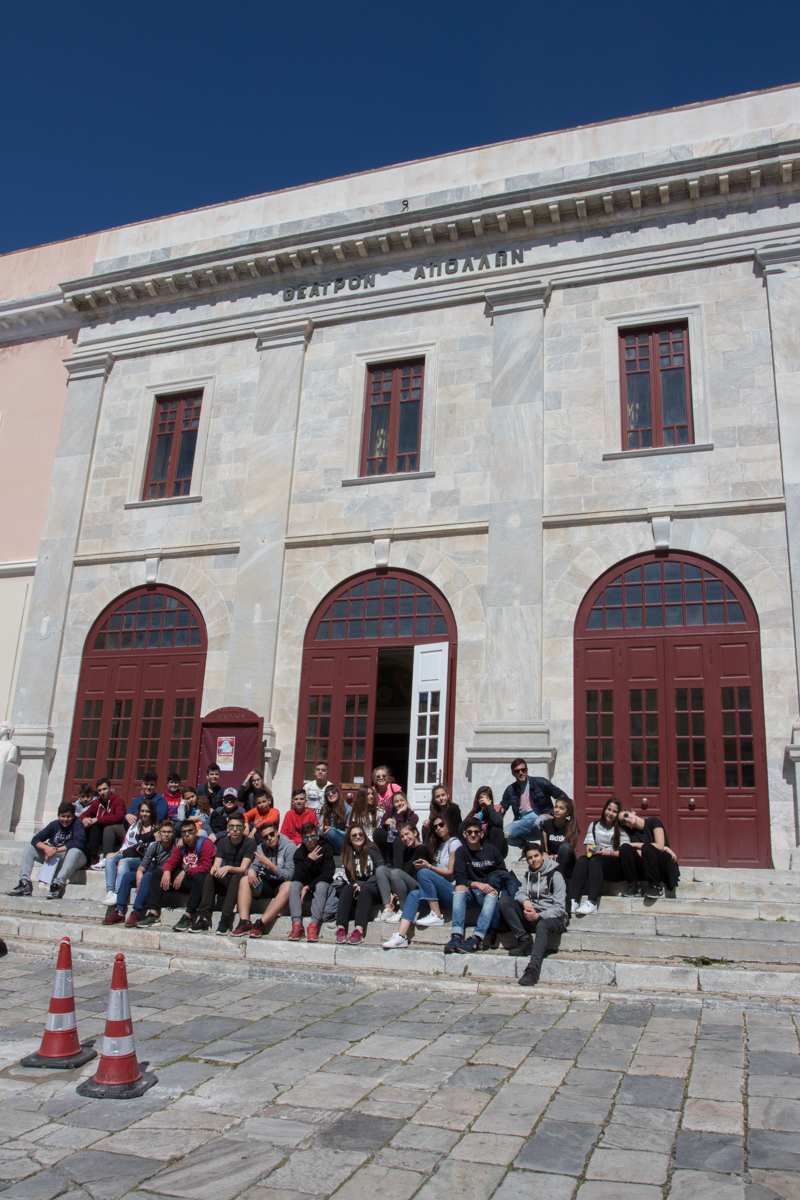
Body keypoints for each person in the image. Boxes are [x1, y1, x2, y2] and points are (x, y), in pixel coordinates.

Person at [382, 814, 460, 949]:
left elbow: (451, 872)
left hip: (450, 889)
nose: (438, 828)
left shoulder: (454, 843)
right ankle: (401, 936)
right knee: (413, 895)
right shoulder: (438, 845)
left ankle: (437, 915)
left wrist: (429, 867)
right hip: (436, 891)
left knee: (423, 872)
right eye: (435, 827)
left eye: (441, 825)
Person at [500, 841, 568, 987]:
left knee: (542, 925)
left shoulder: (555, 875)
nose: (534, 860)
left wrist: (539, 916)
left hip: (554, 918)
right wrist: (526, 902)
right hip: (533, 915)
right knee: (505, 901)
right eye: (530, 858)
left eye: (536, 856)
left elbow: (560, 908)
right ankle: (524, 939)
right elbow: (520, 893)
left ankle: (532, 969)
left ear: (543, 856)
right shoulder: (528, 875)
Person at [139, 821, 215, 930]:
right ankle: (153, 913)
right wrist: (167, 871)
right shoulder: (181, 846)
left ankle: (188, 916)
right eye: (184, 832)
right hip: (182, 881)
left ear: (196, 832)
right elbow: (172, 860)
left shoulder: (205, 843)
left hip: (196, 881)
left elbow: (206, 866)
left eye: (190, 831)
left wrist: (185, 872)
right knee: (157, 874)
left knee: (201, 876)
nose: (187, 835)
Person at [446, 816, 507, 954]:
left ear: (482, 833)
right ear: (464, 834)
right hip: (472, 894)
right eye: (469, 832)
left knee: (492, 892)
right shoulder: (461, 852)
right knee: (459, 887)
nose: (473, 835)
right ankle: (456, 936)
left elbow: (503, 873)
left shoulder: (491, 850)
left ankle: (477, 939)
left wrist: (489, 885)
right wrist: (477, 884)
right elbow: (459, 878)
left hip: (490, 895)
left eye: (476, 832)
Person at [7, 802, 87, 901]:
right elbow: (35, 839)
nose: (65, 819)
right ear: (58, 816)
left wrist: (55, 850)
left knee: (74, 851)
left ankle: (57, 884)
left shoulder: (77, 824)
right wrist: (46, 848)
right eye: (62, 816)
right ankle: (24, 883)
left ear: (73, 816)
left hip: (76, 859)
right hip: (57, 856)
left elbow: (78, 842)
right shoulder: (54, 824)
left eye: (68, 817)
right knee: (29, 849)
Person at [104, 819, 176, 927]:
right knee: (128, 876)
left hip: (166, 876)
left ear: (174, 833)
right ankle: (119, 911)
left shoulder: (177, 845)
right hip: (155, 874)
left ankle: (136, 913)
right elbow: (144, 863)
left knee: (147, 877)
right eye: (164, 832)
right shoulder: (155, 846)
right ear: (159, 833)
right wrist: (139, 872)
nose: (166, 834)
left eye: (169, 832)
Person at [194, 814, 256, 934]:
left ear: (244, 828)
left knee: (237, 877)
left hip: (243, 883)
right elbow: (217, 864)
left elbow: (243, 869)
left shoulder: (249, 843)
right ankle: (203, 918)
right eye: (232, 826)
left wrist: (228, 868)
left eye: (238, 826)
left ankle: (225, 919)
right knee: (209, 877)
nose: (234, 829)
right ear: (227, 828)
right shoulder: (223, 842)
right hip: (227, 880)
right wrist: (214, 870)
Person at [569, 797, 631, 916]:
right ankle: (573, 900)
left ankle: (592, 902)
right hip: (597, 860)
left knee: (596, 861)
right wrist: (593, 849)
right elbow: (588, 846)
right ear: (604, 809)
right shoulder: (594, 825)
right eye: (609, 809)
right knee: (582, 860)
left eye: (614, 811)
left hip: (615, 865)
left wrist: (607, 852)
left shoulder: (621, 829)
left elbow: (625, 853)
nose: (610, 813)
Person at [235, 823, 296, 937]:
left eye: (272, 834)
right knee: (245, 880)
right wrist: (250, 871)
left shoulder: (290, 847)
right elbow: (254, 866)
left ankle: (261, 923)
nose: (270, 838)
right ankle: (244, 922)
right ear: (262, 839)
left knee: (289, 886)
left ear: (277, 832)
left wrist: (268, 863)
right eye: (265, 837)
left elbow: (289, 876)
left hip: (281, 883)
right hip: (266, 882)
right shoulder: (261, 848)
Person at [500, 759, 568, 847]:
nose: (520, 773)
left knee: (540, 823)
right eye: (517, 771)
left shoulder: (540, 782)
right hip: (522, 823)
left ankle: (545, 850)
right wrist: (495, 808)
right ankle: (528, 849)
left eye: (523, 770)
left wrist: (552, 814)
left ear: (527, 770)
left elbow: (563, 796)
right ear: (513, 773)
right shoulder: (510, 790)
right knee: (504, 835)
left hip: (540, 819)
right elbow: (502, 807)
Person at [335, 825, 384, 945]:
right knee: (347, 888)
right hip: (358, 888)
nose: (358, 837)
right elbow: (350, 877)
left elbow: (380, 873)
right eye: (354, 835)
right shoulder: (347, 854)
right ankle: (340, 929)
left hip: (374, 888)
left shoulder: (372, 849)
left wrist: (361, 885)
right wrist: (355, 885)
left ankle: (358, 930)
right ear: (349, 839)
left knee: (366, 890)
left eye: (360, 834)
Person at [103, 798, 158, 904]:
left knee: (123, 862)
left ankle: (118, 893)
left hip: (146, 860)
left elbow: (155, 851)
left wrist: (144, 852)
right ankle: (110, 891)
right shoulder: (134, 826)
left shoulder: (156, 829)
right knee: (110, 857)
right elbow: (127, 843)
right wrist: (121, 851)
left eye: (147, 811)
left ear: (152, 812)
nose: (144, 814)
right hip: (131, 853)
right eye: (142, 811)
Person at [287, 821, 334, 941]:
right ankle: (297, 925)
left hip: (320, 886)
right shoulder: (299, 853)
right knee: (293, 885)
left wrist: (308, 886)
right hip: (305, 885)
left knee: (321, 885)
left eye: (312, 836)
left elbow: (327, 874)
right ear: (302, 839)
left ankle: (313, 925)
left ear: (317, 836)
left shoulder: (326, 849)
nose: (310, 840)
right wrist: (309, 861)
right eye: (306, 838)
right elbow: (297, 876)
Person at [618, 808, 680, 898]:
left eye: (626, 815)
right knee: (625, 848)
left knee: (646, 847)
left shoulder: (653, 821)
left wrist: (635, 845)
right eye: (624, 821)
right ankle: (633, 886)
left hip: (662, 864)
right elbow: (640, 854)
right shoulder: (633, 834)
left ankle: (655, 886)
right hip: (647, 865)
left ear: (633, 812)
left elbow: (660, 845)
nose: (627, 819)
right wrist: (664, 848)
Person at [376, 822, 431, 921]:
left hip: (418, 886)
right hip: (407, 884)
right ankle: (388, 909)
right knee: (381, 870)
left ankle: (403, 910)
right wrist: (397, 889)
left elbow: (419, 875)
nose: (405, 838)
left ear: (415, 833)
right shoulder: (407, 850)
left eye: (407, 834)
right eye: (402, 836)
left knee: (396, 872)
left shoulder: (423, 849)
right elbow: (405, 872)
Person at [81, 778, 127, 868]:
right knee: (92, 826)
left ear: (110, 789)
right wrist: (84, 819)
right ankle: (91, 858)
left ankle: (105, 859)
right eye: (99, 790)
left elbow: (119, 816)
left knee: (103, 826)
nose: (102, 792)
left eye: (104, 789)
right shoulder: (97, 802)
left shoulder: (118, 801)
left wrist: (97, 819)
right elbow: (83, 815)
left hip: (114, 834)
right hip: (100, 834)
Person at [539, 797, 581, 880]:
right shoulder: (546, 824)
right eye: (556, 807)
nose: (557, 810)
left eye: (561, 808)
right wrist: (546, 855)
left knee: (566, 847)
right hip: (550, 861)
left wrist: (554, 856)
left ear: (568, 812)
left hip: (568, 864)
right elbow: (544, 849)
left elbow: (570, 849)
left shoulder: (572, 827)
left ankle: (556, 878)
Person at [461, 786, 507, 857]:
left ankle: (495, 858)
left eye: (486, 798)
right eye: (481, 798)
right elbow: (460, 828)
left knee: (496, 829)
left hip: (493, 845)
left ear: (490, 800)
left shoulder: (495, 811)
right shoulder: (475, 813)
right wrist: (471, 820)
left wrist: (489, 806)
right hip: (478, 844)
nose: (483, 801)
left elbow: (499, 822)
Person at [373, 791, 418, 861]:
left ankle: (398, 863)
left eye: (402, 800)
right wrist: (385, 824)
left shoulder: (413, 816)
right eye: (396, 802)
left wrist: (399, 814)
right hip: (390, 840)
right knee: (378, 832)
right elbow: (381, 825)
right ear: (393, 804)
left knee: (399, 839)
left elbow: (402, 832)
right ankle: (387, 859)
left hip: (404, 842)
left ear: (406, 802)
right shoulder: (389, 812)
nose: (400, 803)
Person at [320, 784, 351, 853]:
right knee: (318, 833)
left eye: (333, 791)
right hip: (330, 840)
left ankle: (344, 853)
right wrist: (323, 829)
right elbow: (322, 827)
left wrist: (332, 829)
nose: (331, 794)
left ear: (338, 793)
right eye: (327, 793)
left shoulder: (348, 810)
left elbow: (348, 833)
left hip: (343, 841)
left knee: (331, 833)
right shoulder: (325, 809)